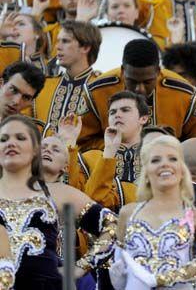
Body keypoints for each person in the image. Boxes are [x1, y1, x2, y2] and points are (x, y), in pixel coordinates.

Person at [0, 115, 117, 289]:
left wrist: (81, 266)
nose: (47, 151)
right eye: (44, 147)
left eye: (21, 138)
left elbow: (113, 225)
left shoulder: (62, 193)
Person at [112, 135, 196, 289]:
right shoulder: (128, 213)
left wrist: (159, 279)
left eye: (172, 159)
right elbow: (118, 268)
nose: (165, 164)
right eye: (156, 160)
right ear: (146, 171)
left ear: (182, 169)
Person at [77, 38, 196, 151]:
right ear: (123, 71)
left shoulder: (185, 94)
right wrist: (118, 146)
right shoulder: (96, 91)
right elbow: (82, 142)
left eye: (147, 82)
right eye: (132, 81)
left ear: (158, 72)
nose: (139, 89)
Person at [33, 21, 101, 132]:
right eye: (58, 41)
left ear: (85, 47)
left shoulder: (100, 88)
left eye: (65, 41)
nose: (58, 47)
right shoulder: (43, 86)